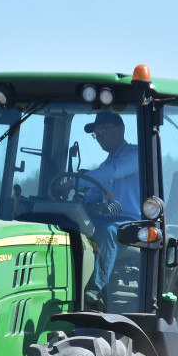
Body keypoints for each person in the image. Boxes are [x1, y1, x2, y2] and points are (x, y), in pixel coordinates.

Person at [72, 112, 141, 307]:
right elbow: (94, 191)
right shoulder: (105, 164)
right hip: (107, 219)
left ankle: (96, 290)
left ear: (121, 130)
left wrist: (71, 183)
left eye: (103, 131)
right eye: (96, 134)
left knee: (109, 232)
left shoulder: (134, 155)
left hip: (134, 223)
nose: (99, 137)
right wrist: (78, 197)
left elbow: (111, 173)